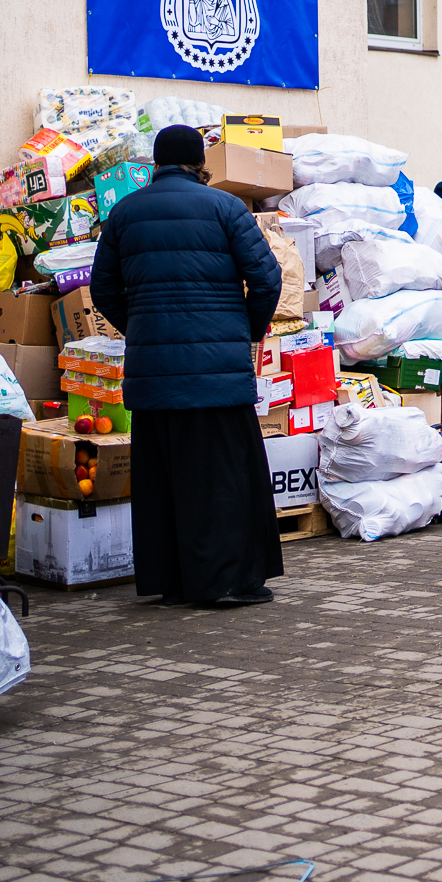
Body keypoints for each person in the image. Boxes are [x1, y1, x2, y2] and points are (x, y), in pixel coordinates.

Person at [89, 125, 284, 608]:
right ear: (200, 163)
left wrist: (142, 328)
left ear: (156, 163)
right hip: (216, 374)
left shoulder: (124, 213)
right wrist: (246, 331)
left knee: (162, 481)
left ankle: (170, 580)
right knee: (222, 479)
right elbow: (267, 279)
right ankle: (222, 583)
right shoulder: (225, 208)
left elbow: (102, 290)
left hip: (154, 376)